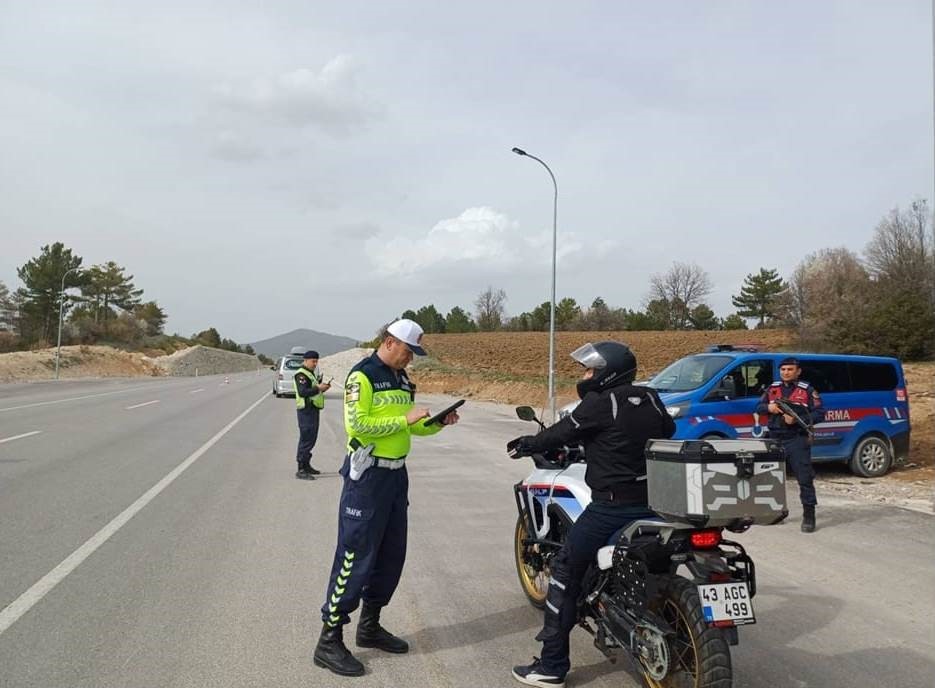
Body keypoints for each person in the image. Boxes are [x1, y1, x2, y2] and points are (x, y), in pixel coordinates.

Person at [506, 341, 675, 688]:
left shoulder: (600, 402)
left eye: (589, 370)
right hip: (655, 503)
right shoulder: (651, 398)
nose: (585, 375)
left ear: (607, 372)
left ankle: (551, 666)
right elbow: (666, 432)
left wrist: (527, 443)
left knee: (565, 570)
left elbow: (563, 431)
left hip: (612, 507)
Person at [313, 318, 460, 677]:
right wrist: (403, 419)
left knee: (392, 554)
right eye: (408, 351)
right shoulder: (362, 376)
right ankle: (329, 640)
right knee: (355, 554)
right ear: (390, 342)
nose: (410, 359)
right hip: (368, 477)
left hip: (396, 476)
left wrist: (436, 422)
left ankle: (370, 626)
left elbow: (412, 425)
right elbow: (357, 424)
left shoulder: (402, 379)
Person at [755, 357, 824, 533]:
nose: (786, 372)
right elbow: (758, 406)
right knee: (767, 477)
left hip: (796, 439)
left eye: (790, 369)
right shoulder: (773, 388)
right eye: (783, 369)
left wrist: (797, 420)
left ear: (798, 371)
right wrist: (768, 408)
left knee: (804, 479)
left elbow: (820, 413)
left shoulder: (806, 390)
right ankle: (771, 512)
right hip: (774, 438)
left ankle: (809, 516)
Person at [294, 351, 331, 480]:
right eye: (313, 361)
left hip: (313, 410)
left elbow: (313, 389)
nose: (315, 364)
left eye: (316, 361)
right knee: (306, 439)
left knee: (311, 439)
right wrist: (319, 388)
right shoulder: (301, 374)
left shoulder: (310, 374)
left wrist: (321, 386)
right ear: (305, 360)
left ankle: (307, 464)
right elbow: (303, 392)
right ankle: (301, 469)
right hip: (306, 411)